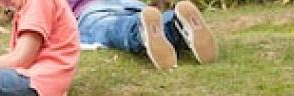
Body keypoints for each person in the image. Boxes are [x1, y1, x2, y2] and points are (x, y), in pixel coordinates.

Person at [70, 0, 216, 70]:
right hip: (125, 3)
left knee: (115, 28)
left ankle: (140, 33)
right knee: (153, 21)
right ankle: (177, 23)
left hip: (88, 12)